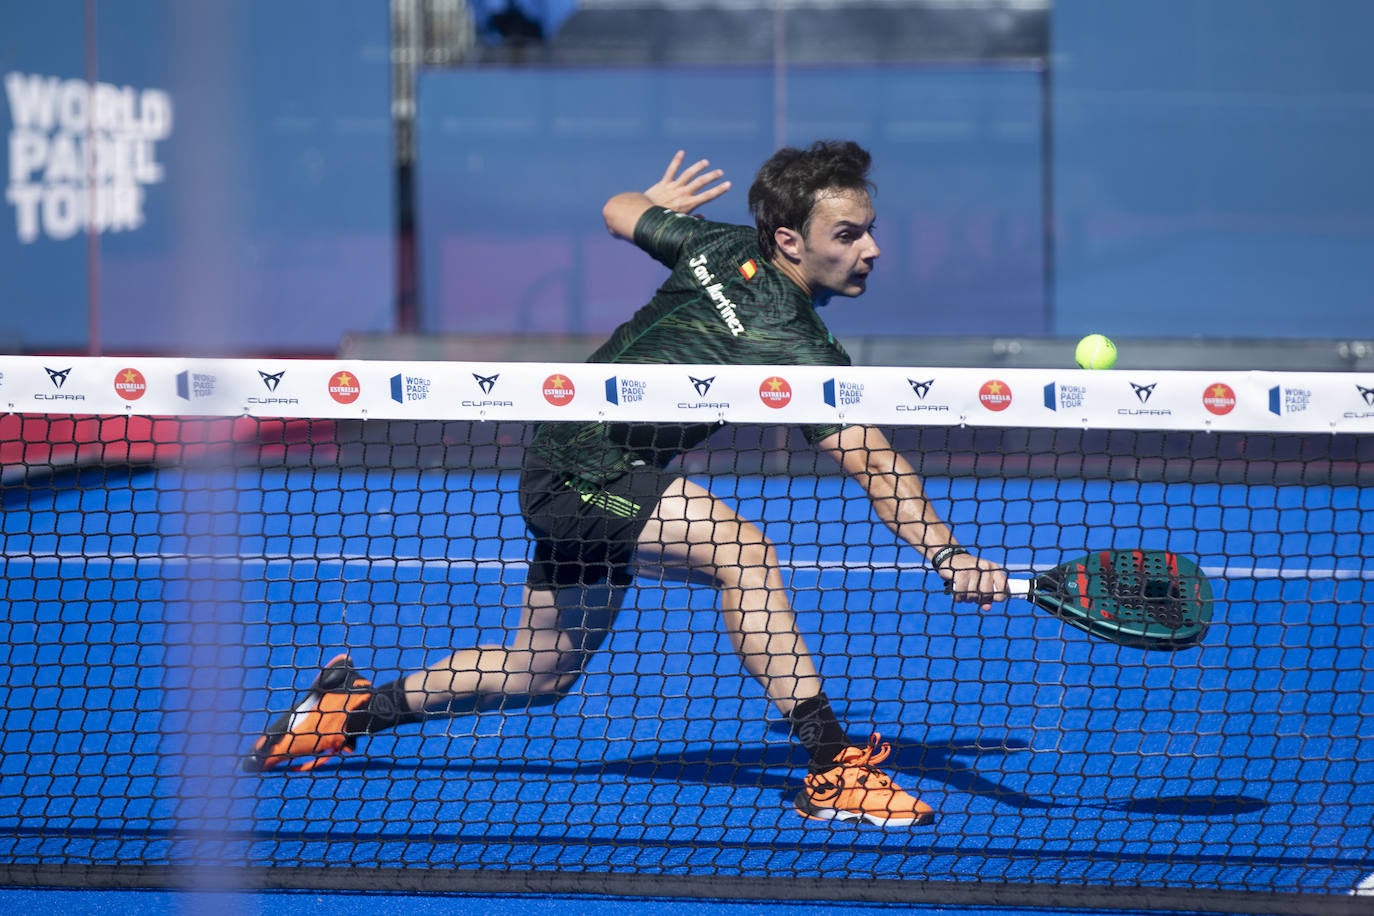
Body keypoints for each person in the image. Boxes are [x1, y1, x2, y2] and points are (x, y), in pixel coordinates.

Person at [244, 140, 1009, 827]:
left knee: (537, 671)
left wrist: (655, 206)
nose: (871, 248)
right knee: (742, 552)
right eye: (848, 235)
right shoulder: (796, 345)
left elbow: (618, 211)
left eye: (869, 229)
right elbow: (873, 461)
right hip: (587, 472)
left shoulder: (711, 243)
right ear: (789, 241)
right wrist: (947, 555)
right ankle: (829, 763)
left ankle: (347, 713)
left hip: (583, 467)